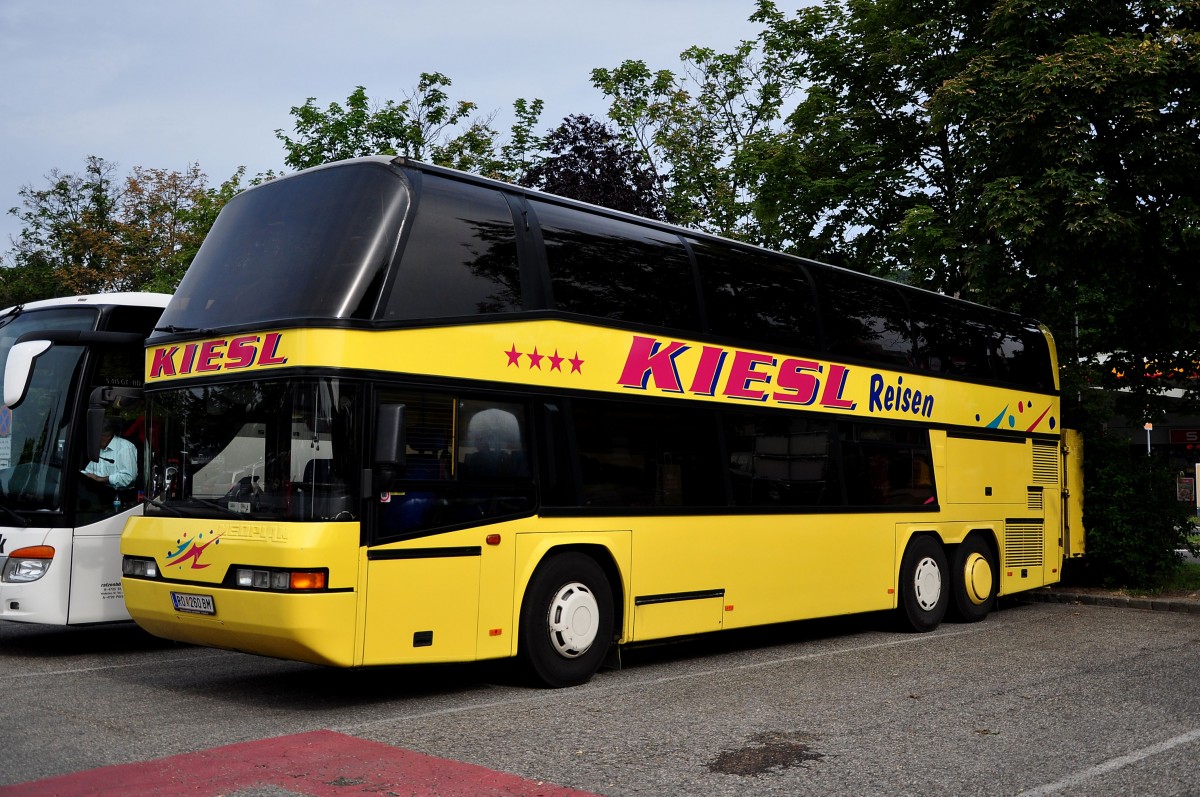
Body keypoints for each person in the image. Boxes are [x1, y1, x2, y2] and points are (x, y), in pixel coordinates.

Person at [82, 422, 138, 490]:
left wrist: (101, 479)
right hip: (97, 492)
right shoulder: (99, 448)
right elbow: (90, 471)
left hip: (120, 495)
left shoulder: (125, 447)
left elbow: (128, 478)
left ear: (108, 436)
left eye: (96, 437)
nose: (93, 440)